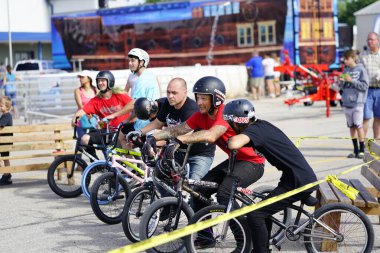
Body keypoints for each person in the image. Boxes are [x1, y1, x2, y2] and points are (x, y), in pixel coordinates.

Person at [142, 77, 265, 248]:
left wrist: (180, 141)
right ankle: (206, 237)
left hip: (252, 163)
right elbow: (178, 129)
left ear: (216, 99)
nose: (199, 102)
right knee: (198, 191)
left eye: (203, 98)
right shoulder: (201, 116)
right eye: (197, 97)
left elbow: (211, 135)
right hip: (234, 161)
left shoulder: (224, 113)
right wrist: (151, 138)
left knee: (224, 194)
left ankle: (245, 241)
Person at [223, 98, 318, 253]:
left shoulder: (255, 131)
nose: (229, 126)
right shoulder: (260, 126)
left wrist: (230, 141)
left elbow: (234, 143)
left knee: (256, 215)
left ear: (237, 121)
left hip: (298, 181)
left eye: (230, 122)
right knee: (262, 211)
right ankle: (262, 248)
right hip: (294, 177)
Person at [128, 77, 216, 181]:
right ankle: (169, 197)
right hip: (179, 150)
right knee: (158, 176)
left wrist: (156, 140)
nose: (170, 96)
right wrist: (140, 132)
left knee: (194, 185)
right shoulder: (167, 104)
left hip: (199, 154)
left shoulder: (191, 109)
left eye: (174, 93)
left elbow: (185, 135)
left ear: (184, 93)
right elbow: (157, 122)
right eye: (168, 92)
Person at [72, 70, 134, 159]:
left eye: (103, 80)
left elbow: (133, 105)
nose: (100, 83)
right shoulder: (96, 100)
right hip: (105, 131)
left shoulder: (120, 95)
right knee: (84, 139)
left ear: (110, 81)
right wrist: (75, 118)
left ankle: (134, 167)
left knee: (116, 156)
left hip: (121, 130)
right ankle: (96, 164)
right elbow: (83, 111)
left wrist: (116, 115)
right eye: (98, 81)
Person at [120, 48, 160, 147]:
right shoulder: (145, 76)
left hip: (146, 124)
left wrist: (116, 115)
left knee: (121, 136)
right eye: (129, 60)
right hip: (143, 121)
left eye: (133, 60)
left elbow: (134, 103)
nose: (129, 63)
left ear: (142, 62)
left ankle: (136, 162)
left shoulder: (144, 79)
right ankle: (137, 162)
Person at [341, 50, 369, 159]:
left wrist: (352, 80)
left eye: (347, 59)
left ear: (353, 58)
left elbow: (365, 86)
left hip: (357, 103)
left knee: (358, 125)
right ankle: (355, 150)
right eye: (345, 59)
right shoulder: (346, 70)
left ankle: (361, 150)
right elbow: (343, 87)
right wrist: (342, 82)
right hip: (347, 102)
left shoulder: (361, 69)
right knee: (351, 126)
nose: (345, 61)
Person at [360, 32, 380, 139]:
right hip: (367, 91)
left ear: (378, 41)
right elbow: (358, 72)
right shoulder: (363, 55)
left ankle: (376, 141)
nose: (369, 42)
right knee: (365, 118)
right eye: (368, 40)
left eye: (372, 39)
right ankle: (363, 143)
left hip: (379, 90)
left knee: (378, 118)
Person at [74, 70, 97, 139]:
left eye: (82, 77)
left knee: (101, 140)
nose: (80, 79)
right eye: (80, 77)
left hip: (94, 118)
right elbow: (80, 106)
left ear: (89, 78)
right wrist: (89, 113)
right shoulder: (78, 90)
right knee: (82, 141)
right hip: (81, 118)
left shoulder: (96, 90)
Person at [0, 96, 13, 185]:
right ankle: (7, 174)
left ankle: (6, 174)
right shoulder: (6, 116)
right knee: (5, 159)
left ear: (7, 107)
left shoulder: (6, 116)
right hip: (5, 142)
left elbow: (0, 126)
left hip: (5, 143)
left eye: (1, 106)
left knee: (4, 159)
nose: (0, 107)